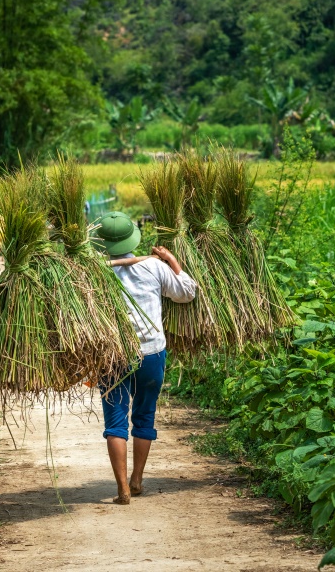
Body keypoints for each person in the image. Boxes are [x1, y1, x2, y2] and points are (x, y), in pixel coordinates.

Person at [92, 211, 198, 505]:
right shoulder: (153, 266)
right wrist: (171, 260)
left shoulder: (95, 271)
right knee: (144, 415)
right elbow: (187, 293)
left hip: (113, 356)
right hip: (151, 353)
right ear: (132, 238)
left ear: (102, 244)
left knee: (115, 421)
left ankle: (122, 489)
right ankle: (137, 479)